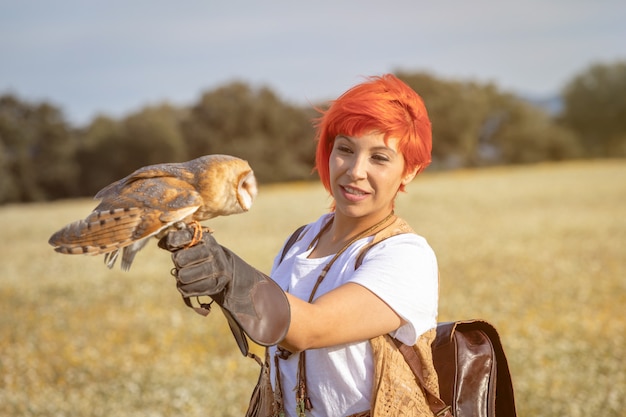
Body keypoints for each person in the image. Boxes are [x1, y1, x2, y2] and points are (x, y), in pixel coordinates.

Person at [159, 74, 440, 417]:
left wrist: (230, 274)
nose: (355, 171)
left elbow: (310, 328)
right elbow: (274, 340)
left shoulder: (405, 256)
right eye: (345, 150)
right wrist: (222, 283)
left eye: (379, 158)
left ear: (409, 170)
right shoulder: (301, 240)